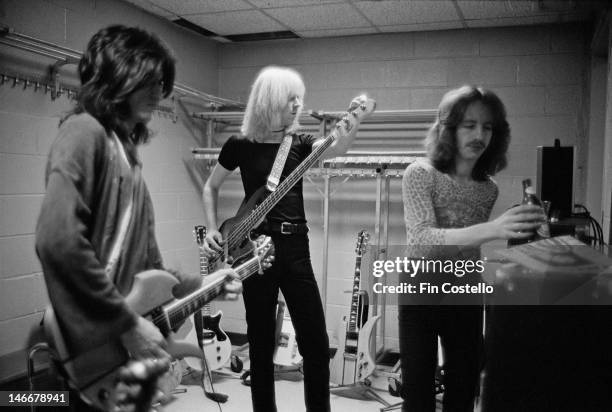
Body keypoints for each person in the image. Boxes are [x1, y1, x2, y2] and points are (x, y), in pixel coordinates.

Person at [35, 25, 242, 381]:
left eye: (161, 84)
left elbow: (149, 270)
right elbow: (57, 241)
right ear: (116, 80)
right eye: (148, 81)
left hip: (116, 361)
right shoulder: (84, 132)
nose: (158, 93)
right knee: (31, 402)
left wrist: (206, 286)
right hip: (88, 355)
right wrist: (126, 324)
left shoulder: (127, 160)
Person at [201, 66, 367, 412]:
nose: (297, 105)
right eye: (289, 98)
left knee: (316, 346)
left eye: (298, 99)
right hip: (254, 252)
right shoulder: (239, 145)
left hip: (295, 249)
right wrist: (213, 229)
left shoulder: (300, 143)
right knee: (260, 346)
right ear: (268, 101)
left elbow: (334, 150)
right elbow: (210, 186)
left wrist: (352, 125)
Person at [400, 85, 545, 411]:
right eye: (469, 125)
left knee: (464, 386)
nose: (480, 134)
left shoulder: (487, 189)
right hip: (420, 288)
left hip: (464, 289)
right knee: (418, 391)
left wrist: (520, 232)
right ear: (448, 130)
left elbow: (469, 242)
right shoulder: (420, 174)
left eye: (488, 126)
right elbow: (423, 241)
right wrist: (493, 229)